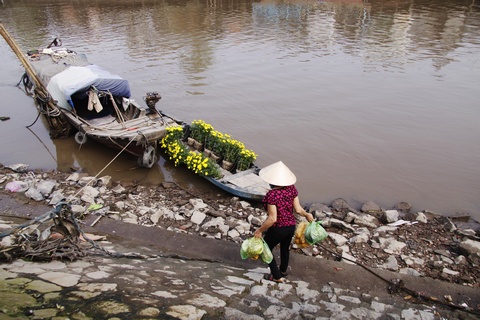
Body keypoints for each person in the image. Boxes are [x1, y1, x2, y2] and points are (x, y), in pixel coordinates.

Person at [254, 161, 314, 283]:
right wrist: (307, 214)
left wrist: (259, 230)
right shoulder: (292, 189)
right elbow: (298, 209)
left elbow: (272, 219)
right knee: (285, 249)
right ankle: (283, 270)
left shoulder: (272, 195)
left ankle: (276, 276)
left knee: (266, 249)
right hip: (290, 226)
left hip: (278, 228)